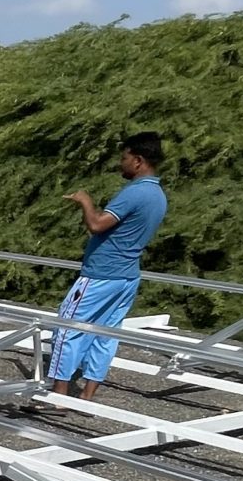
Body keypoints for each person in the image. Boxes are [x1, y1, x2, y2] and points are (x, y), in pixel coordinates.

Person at [49, 133, 170, 400]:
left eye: (124, 158)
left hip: (101, 274)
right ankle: (87, 395)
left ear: (138, 161)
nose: (120, 163)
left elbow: (97, 225)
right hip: (127, 276)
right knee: (106, 333)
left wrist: (85, 201)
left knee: (67, 328)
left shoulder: (135, 193)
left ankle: (57, 398)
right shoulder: (158, 195)